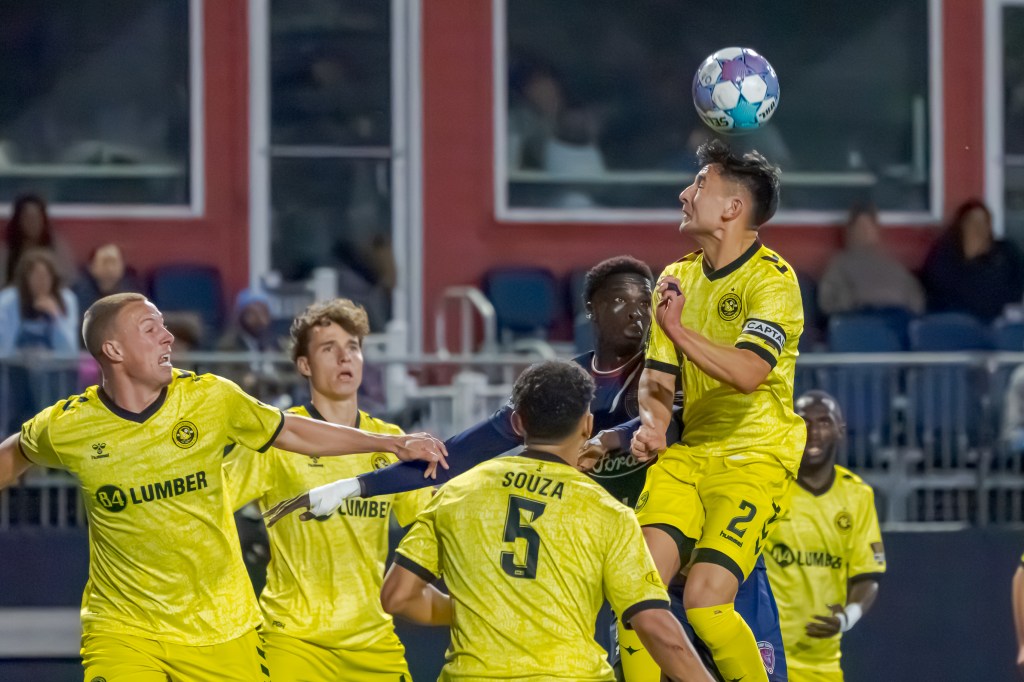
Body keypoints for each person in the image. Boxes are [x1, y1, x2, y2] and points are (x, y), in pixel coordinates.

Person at [263, 255, 789, 681]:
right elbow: (452, 457)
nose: (636, 311)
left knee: (719, 632)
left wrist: (609, 439)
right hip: (626, 558)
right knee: (653, 642)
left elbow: (659, 427)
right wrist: (354, 485)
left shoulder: (667, 371)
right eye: (619, 299)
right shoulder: (566, 386)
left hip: (692, 545)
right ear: (591, 309)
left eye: (645, 301)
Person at [0, 292, 446, 680]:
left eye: (353, 347)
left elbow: (290, 431)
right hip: (128, 628)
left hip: (224, 627)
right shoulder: (68, 426)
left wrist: (391, 442)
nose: (168, 336)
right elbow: (13, 455)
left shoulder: (212, 398)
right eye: (150, 328)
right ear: (113, 349)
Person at [379, 359, 715, 682]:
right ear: (587, 425)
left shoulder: (457, 492)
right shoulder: (606, 511)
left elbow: (397, 597)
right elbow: (655, 625)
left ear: (520, 423)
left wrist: (478, 611)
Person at [631, 139, 805, 681]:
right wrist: (654, 425)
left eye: (699, 184)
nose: (685, 194)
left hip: (755, 457)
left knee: (706, 602)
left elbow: (750, 373)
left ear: (733, 208)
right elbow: (658, 378)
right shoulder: (675, 277)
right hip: (690, 456)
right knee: (634, 591)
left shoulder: (774, 281)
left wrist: (679, 329)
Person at [223, 298, 432, 680]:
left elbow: (431, 522)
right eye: (328, 349)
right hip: (295, 641)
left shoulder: (394, 442)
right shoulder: (277, 439)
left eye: (352, 348)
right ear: (304, 365)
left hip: (373, 639)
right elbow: (211, 506)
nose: (344, 358)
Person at [764, 390, 885, 681]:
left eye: (824, 422)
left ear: (840, 431)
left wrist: (846, 618)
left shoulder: (857, 495)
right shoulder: (769, 485)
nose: (813, 431)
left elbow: (868, 576)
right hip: (765, 655)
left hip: (823, 663)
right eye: (803, 421)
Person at [920, 199, 1024, 323]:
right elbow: (940, 287)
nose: (978, 228)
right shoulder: (944, 253)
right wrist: (972, 257)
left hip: (998, 322)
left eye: (984, 222)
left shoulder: (1006, 252)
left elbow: (1016, 286)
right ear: (961, 225)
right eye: (972, 222)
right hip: (955, 323)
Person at [817, 204, 925, 317]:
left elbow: (916, 304)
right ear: (849, 231)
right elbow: (827, 304)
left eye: (869, 227)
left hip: (897, 324)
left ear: (877, 230)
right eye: (859, 227)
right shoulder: (838, 264)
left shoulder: (895, 265)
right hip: (857, 324)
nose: (864, 232)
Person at [0, 248, 79, 356]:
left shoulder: (67, 299)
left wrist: (56, 317)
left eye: (45, 276)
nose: (41, 282)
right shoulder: (8, 300)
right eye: (35, 276)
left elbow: (70, 350)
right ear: (25, 279)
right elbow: (4, 347)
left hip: (54, 369)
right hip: (16, 367)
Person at [0, 193, 75, 286]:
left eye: (36, 218)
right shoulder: (6, 251)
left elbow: (68, 280)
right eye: (27, 218)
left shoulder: (56, 247)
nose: (32, 223)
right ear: (18, 220)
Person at [72, 242, 144, 314]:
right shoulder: (79, 294)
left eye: (113, 262)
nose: (110, 268)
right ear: (91, 267)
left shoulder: (133, 293)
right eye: (105, 262)